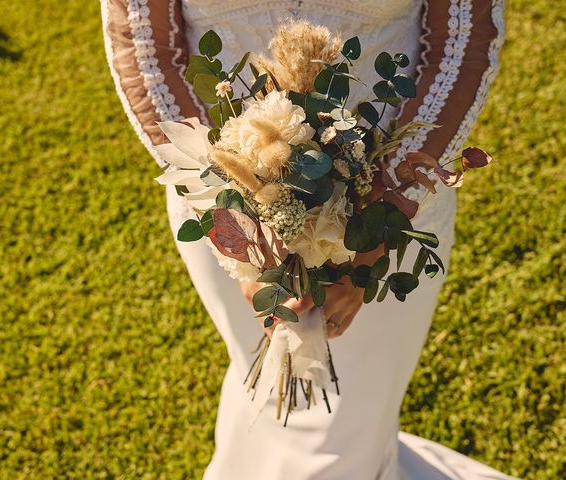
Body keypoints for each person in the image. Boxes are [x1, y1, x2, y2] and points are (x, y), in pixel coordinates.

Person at [100, 1, 515, 478]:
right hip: (217, 201)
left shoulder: (389, 217)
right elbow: (143, 45)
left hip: (395, 207)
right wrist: (232, 221)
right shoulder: (222, 214)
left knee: (349, 419)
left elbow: (463, 38)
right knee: (266, 391)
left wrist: (381, 221)